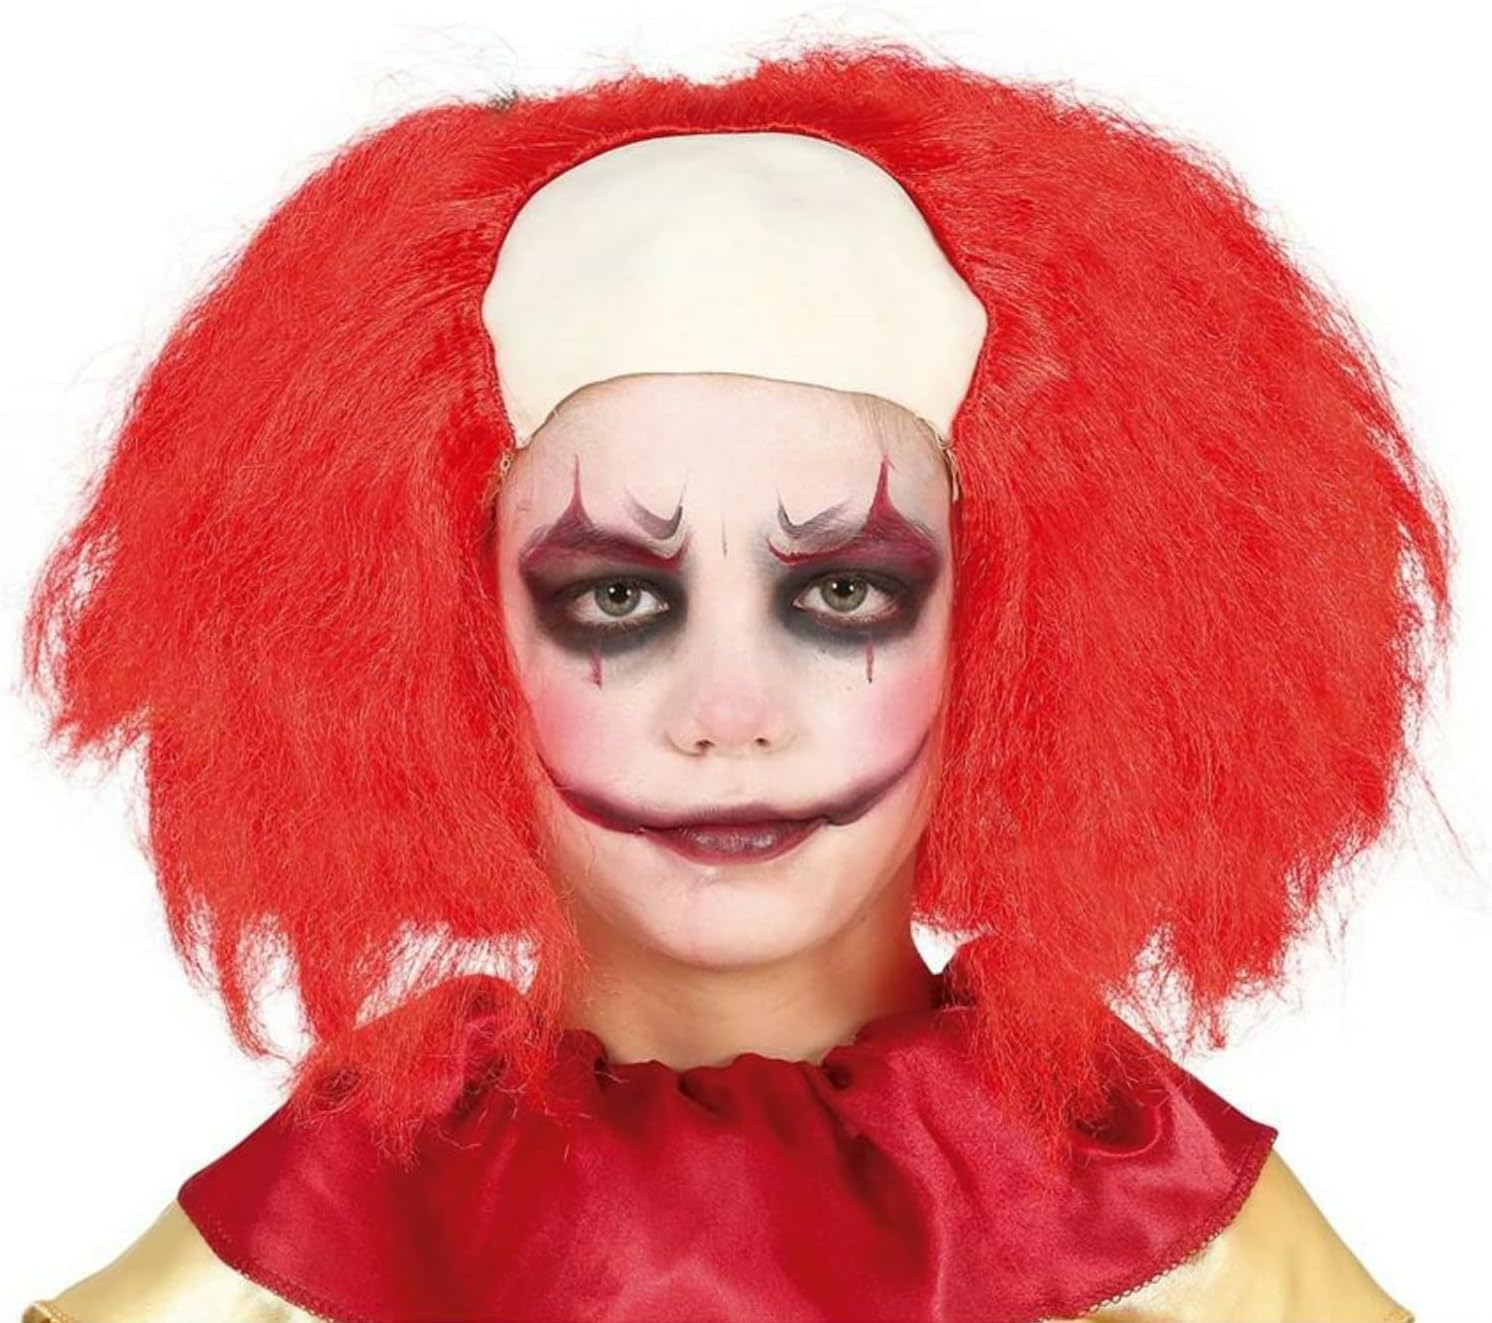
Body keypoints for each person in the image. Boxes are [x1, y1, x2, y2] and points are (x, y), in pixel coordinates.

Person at [18, 41, 1446, 1322]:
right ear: (443, 643)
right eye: (616, 599)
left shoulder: (1150, 1219)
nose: (727, 716)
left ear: (1012, 631)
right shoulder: (336, 1219)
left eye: (843, 593)